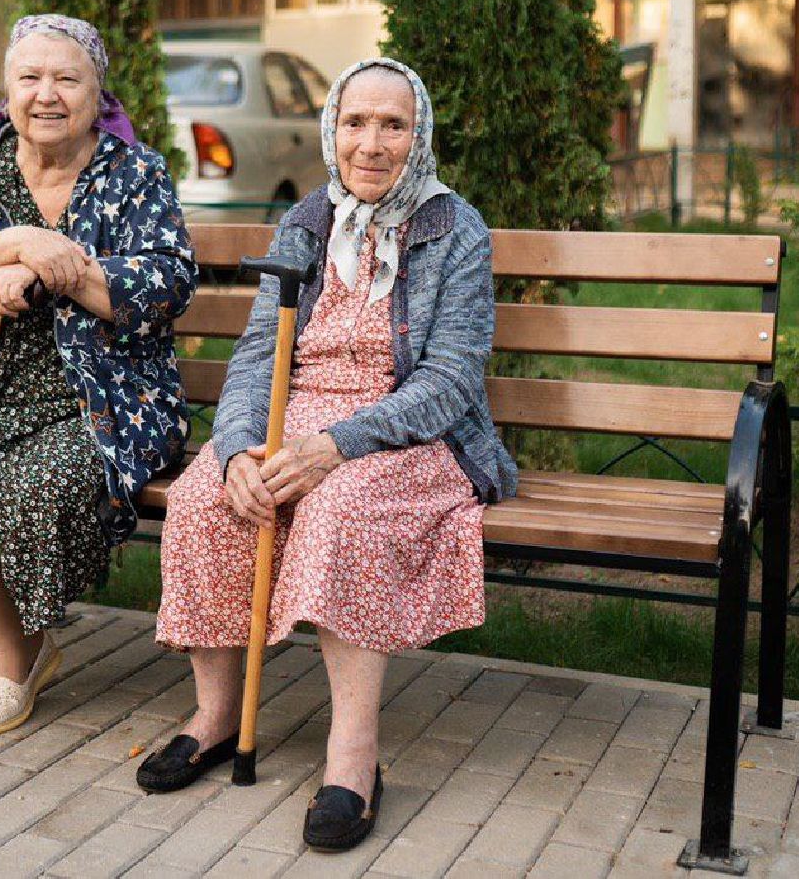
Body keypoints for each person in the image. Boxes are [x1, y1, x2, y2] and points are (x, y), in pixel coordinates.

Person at [140, 57, 518, 852]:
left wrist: (332, 448)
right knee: (207, 496)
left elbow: (450, 381)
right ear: (330, 132)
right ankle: (213, 717)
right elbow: (253, 357)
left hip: (403, 430)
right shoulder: (309, 220)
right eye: (354, 123)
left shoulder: (457, 229)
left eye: (392, 125)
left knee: (339, 512)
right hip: (290, 419)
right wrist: (240, 447)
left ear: (419, 136)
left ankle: (351, 759)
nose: (371, 143)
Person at [0, 14, 196, 735]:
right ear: (6, 90)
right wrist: (7, 249)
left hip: (106, 397)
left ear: (97, 91)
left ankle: (10, 662)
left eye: (66, 78)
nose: (45, 94)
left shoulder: (134, 174)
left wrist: (68, 271)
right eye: (29, 77)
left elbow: (169, 284)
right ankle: (17, 635)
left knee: (36, 484)